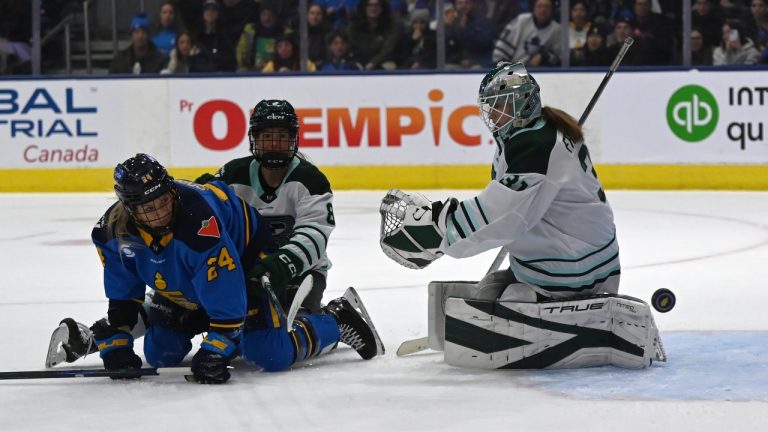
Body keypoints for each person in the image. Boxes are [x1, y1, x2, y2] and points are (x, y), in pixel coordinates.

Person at [379, 62, 665, 369]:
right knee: (492, 288)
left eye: (501, 106)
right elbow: (511, 210)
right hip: (570, 255)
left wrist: (441, 231)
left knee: (512, 298)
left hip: (577, 266)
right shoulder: (527, 134)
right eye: (491, 107)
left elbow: (502, 215)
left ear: (523, 102)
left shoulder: (536, 144)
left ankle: (572, 325)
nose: (493, 115)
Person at [46, 152, 384, 379]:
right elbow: (123, 295)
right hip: (194, 280)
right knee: (160, 352)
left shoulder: (199, 220)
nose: (161, 212)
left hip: (248, 263)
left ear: (170, 191)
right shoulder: (110, 233)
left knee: (268, 353)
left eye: (163, 200)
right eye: (149, 208)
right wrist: (119, 341)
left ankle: (336, 319)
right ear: (130, 208)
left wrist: (218, 346)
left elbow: (224, 288)